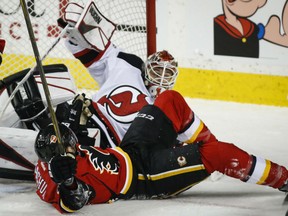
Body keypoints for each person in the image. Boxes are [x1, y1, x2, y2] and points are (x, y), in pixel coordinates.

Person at [34, 89, 288, 213]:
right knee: (219, 154)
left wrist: (78, 129)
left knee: (169, 99)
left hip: (130, 151)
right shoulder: (55, 174)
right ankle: (284, 179)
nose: (72, 148)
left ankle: (205, 153)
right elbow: (75, 201)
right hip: (145, 178)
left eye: (71, 144)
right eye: (68, 148)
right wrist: (67, 182)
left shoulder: (54, 150)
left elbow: (81, 147)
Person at [56, 2, 179, 149]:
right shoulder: (129, 65)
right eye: (157, 71)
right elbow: (98, 54)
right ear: (147, 68)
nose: (160, 78)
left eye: (167, 75)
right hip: (85, 116)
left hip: (108, 146)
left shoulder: (166, 108)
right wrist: (78, 33)